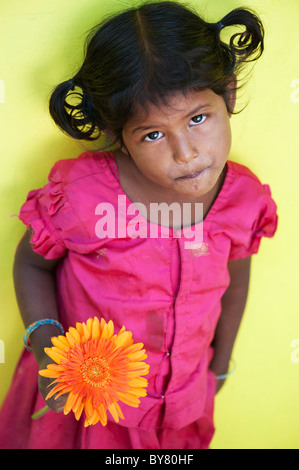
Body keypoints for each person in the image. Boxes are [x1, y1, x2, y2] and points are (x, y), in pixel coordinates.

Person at [0, 1, 277, 449]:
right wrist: (48, 349)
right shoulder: (79, 194)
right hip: (81, 403)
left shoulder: (244, 200)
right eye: (152, 134)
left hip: (181, 404)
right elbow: (32, 264)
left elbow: (236, 283)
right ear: (117, 136)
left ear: (227, 94)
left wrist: (219, 366)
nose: (186, 153)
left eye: (198, 118)